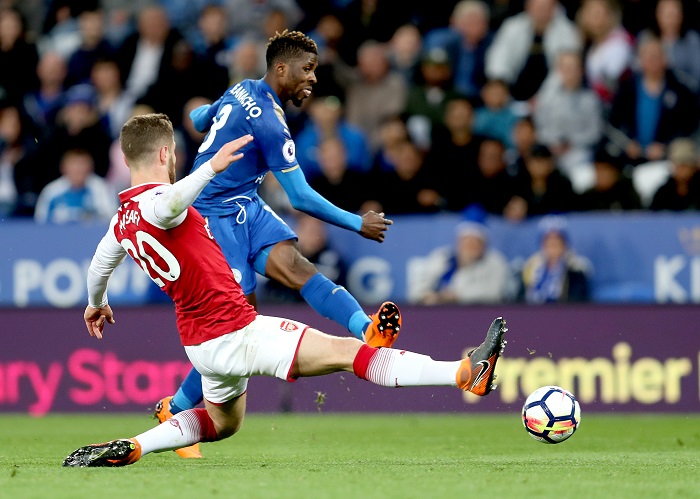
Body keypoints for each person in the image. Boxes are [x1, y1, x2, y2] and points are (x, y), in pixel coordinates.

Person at [61, 113, 508, 468]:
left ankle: (136, 446)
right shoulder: (164, 202)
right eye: (175, 152)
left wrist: (95, 303)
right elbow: (169, 202)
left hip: (199, 344)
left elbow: (100, 265)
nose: (178, 159)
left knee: (221, 422)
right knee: (347, 352)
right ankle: (464, 372)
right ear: (164, 153)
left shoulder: (120, 221)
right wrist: (209, 170)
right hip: (238, 331)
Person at [157, 30, 405, 457]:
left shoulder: (242, 88)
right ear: (281, 68)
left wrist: (207, 120)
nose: (313, 79)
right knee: (235, 323)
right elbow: (300, 197)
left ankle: (367, 331)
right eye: (307, 70)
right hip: (212, 216)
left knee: (297, 268)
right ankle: (175, 407)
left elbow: (200, 117)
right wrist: (355, 222)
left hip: (245, 204)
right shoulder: (271, 121)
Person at [518, 215, 591, 303]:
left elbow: (577, 304)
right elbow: (519, 302)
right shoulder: (529, 268)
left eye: (557, 240)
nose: (552, 243)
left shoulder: (576, 271)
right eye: (548, 240)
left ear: (564, 244)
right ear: (542, 244)